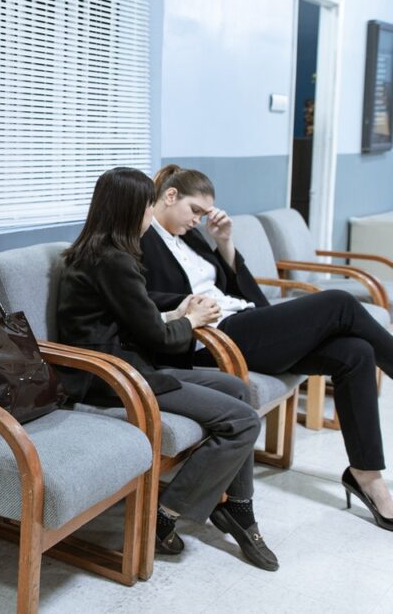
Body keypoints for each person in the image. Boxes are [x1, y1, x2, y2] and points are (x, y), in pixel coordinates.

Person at [142, 163, 393, 531]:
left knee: (357, 353)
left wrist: (225, 241)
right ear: (170, 196)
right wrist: (191, 306)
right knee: (339, 302)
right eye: (193, 210)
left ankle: (367, 476)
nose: (197, 220)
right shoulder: (143, 236)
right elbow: (140, 301)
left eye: (203, 214)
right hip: (215, 335)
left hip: (244, 321)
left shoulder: (193, 237)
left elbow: (239, 289)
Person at [57, 167, 279, 570]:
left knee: (236, 388)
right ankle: (166, 515)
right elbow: (157, 337)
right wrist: (191, 322)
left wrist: (177, 312)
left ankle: (238, 507)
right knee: (244, 421)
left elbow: (133, 317)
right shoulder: (114, 261)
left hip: (125, 366)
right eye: (146, 206)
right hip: (114, 377)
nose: (149, 213)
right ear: (130, 210)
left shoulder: (98, 252)